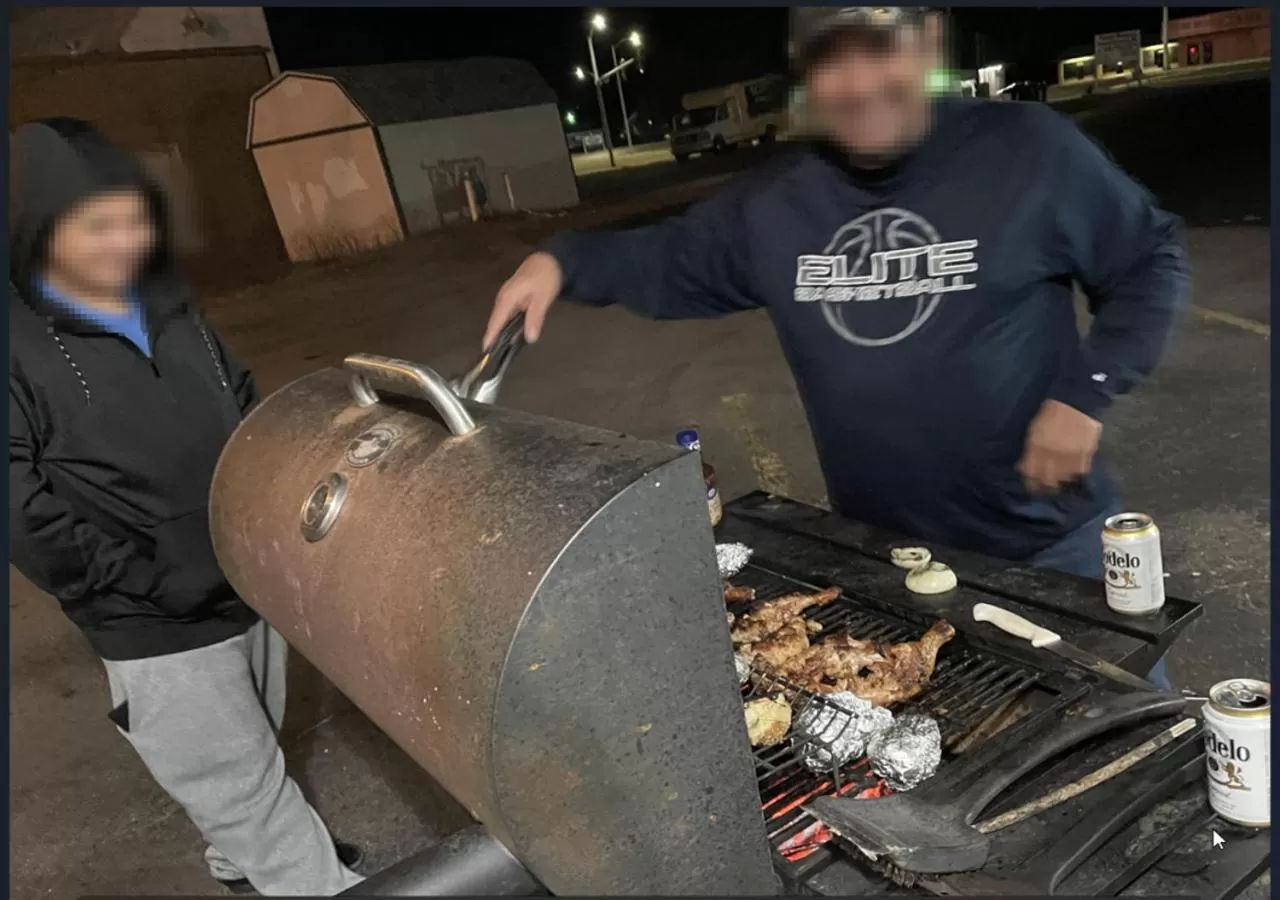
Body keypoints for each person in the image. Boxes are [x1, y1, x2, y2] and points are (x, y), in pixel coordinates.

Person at [484, 9, 1189, 687]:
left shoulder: (1028, 150)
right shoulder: (779, 204)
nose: (857, 85)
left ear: (927, 45)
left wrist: (1085, 390)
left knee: (1142, 751)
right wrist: (563, 261)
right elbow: (668, 258)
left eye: (880, 52)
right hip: (889, 563)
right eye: (831, 62)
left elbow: (1149, 258)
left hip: (1054, 548)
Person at [8, 118, 364, 896]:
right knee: (246, 790)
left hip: (244, 573)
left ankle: (236, 860)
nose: (125, 241)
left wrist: (271, 501)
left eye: (134, 218)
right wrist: (132, 579)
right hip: (153, 620)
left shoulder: (168, 301)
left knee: (256, 746)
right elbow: (18, 503)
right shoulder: (15, 339)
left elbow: (239, 399)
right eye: (97, 225)